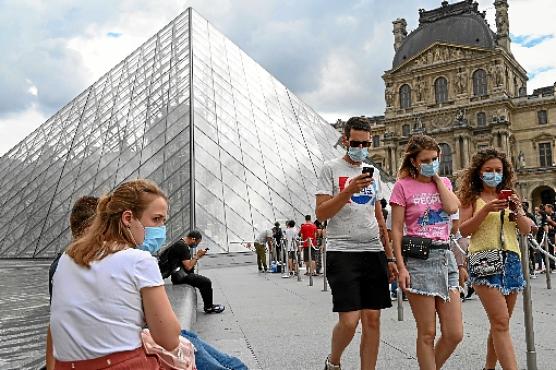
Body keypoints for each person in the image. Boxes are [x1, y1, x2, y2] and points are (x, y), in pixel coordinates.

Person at [50, 179, 182, 369]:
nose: (161, 228)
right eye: (156, 219)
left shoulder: (66, 258)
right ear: (127, 218)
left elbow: (55, 331)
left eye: (163, 221)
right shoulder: (140, 261)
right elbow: (169, 338)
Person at [316, 116, 397, 370]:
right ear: (344, 140)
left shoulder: (373, 174)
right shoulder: (330, 168)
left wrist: (390, 256)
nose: (361, 148)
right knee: (350, 321)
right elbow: (322, 213)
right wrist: (348, 191)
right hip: (342, 250)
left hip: (373, 251)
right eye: (356, 143)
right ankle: (334, 361)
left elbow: (379, 218)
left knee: (372, 320)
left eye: (366, 144)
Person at [390, 134, 463, 370]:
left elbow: (452, 208)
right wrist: (401, 266)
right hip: (419, 259)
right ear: (414, 161)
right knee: (427, 332)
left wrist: (437, 179)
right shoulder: (402, 186)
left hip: (445, 258)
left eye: (435, 158)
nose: (432, 163)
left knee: (454, 333)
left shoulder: (445, 184)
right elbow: (397, 230)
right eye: (426, 160)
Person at [457, 148, 533, 370]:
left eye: (498, 170)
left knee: (501, 323)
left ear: (504, 172)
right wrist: (486, 210)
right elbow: (463, 230)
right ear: (479, 172)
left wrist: (517, 211)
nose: (493, 174)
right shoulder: (471, 197)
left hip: (511, 260)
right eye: (488, 170)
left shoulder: (512, 196)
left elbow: (527, 230)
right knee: (500, 323)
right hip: (483, 259)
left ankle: (488, 368)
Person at [45, 196, 99, 370]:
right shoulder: (101, 265)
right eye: (106, 225)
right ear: (90, 228)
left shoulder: (60, 265)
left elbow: (55, 322)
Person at [168, 230, 225, 314]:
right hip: (181, 277)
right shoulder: (182, 246)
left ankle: (208, 305)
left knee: (201, 281)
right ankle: (209, 307)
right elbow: (188, 266)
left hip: (179, 275)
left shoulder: (181, 243)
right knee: (206, 282)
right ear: (193, 239)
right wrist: (197, 256)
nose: (196, 245)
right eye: (197, 243)